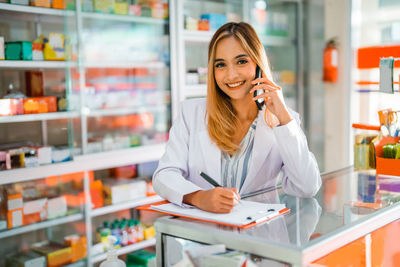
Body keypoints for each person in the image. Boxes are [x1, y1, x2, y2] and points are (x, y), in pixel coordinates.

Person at [153, 22, 321, 213]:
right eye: (221, 65)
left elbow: (307, 187)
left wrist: (283, 115)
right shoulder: (191, 113)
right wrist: (199, 197)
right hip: (204, 236)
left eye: (241, 61)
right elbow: (164, 175)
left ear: (258, 64)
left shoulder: (284, 120)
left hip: (259, 234)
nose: (231, 75)